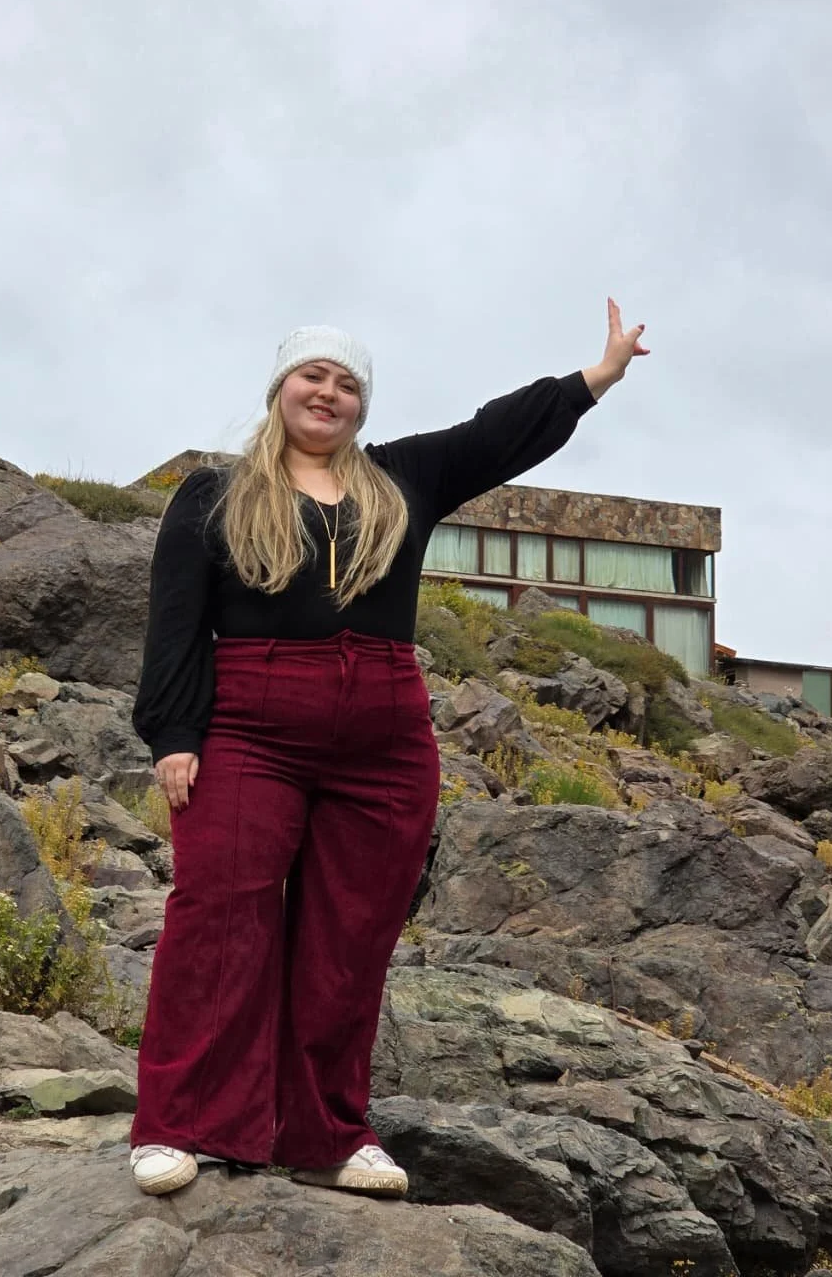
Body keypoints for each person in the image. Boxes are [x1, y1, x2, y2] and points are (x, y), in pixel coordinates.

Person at [128, 301, 648, 1197]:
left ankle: (325, 1135)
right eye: (313, 376)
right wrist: (175, 734)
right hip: (249, 729)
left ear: (360, 405)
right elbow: (176, 624)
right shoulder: (211, 495)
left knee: (349, 940)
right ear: (281, 387)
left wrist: (594, 379)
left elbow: (494, 437)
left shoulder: (403, 479)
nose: (327, 393)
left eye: (346, 384)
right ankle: (182, 1126)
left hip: (384, 741)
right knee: (219, 917)